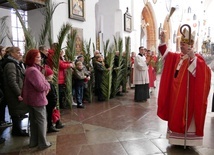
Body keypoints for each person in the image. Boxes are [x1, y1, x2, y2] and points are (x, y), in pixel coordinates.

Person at [157, 28, 211, 146]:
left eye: (184, 44)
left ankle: (186, 140)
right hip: (175, 95)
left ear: (191, 45)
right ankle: (176, 139)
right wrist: (162, 41)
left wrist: (193, 59)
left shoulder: (197, 58)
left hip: (188, 96)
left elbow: (203, 73)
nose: (181, 46)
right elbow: (166, 55)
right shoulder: (177, 57)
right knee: (175, 114)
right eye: (181, 44)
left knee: (185, 114)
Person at [22, 49, 52, 149]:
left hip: (32, 99)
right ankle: (43, 143)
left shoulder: (31, 69)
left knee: (34, 122)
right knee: (41, 121)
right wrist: (47, 84)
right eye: (38, 57)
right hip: (37, 99)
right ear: (32, 59)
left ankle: (34, 142)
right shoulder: (33, 70)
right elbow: (40, 86)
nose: (40, 59)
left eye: (40, 57)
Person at [2, 46, 29, 136]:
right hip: (13, 93)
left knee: (17, 112)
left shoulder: (15, 63)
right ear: (11, 54)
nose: (20, 54)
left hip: (16, 92)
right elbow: (12, 81)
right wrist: (18, 93)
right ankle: (17, 131)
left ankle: (18, 130)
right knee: (15, 112)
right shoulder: (10, 64)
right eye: (18, 52)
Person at [0, 46, 12, 128]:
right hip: (1, 85)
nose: (4, 52)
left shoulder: (2, 61)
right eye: (3, 50)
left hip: (2, 85)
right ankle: (1, 120)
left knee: (3, 105)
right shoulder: (3, 62)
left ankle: (3, 120)